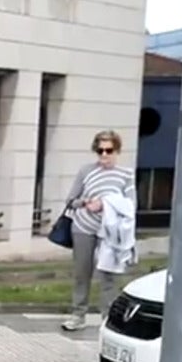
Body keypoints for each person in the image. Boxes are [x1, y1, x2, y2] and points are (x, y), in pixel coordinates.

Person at [61, 130, 136, 331]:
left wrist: (106, 204)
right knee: (81, 272)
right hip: (84, 227)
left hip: (111, 232)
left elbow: (130, 205)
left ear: (117, 151)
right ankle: (78, 314)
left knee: (109, 276)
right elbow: (71, 200)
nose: (104, 155)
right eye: (100, 150)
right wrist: (86, 202)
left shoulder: (125, 174)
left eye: (108, 150)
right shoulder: (86, 171)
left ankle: (108, 317)